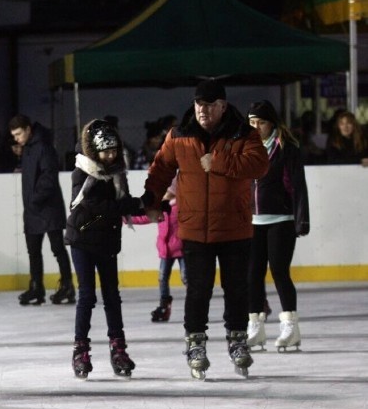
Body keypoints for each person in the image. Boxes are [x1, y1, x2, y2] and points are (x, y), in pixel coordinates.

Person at [142, 79, 269, 379]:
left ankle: (237, 340)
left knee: (236, 289)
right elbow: (160, 168)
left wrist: (219, 161)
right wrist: (151, 199)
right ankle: (195, 342)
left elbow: (259, 165)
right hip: (195, 229)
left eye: (210, 105)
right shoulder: (180, 135)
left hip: (234, 228)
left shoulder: (243, 133)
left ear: (223, 106)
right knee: (198, 290)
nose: (203, 110)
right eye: (199, 103)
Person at [64, 120, 147, 379]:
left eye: (114, 150)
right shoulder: (83, 172)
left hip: (107, 241)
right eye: (105, 151)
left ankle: (118, 349)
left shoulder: (117, 173)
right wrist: (136, 206)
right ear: (94, 151)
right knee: (87, 296)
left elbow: (122, 203)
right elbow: (96, 207)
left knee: (112, 296)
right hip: (82, 240)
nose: (110, 155)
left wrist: (149, 205)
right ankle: (80, 351)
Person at [246, 100, 310, 352]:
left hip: (281, 220)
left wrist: (301, 218)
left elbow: (298, 186)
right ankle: (255, 326)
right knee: (252, 274)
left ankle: (290, 326)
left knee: (279, 271)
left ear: (271, 123)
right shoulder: (245, 148)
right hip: (252, 222)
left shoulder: (286, 148)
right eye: (252, 122)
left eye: (260, 122)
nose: (256, 127)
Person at [8, 114, 75, 305]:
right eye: (14, 135)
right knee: (33, 251)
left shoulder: (44, 147)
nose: (17, 138)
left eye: (19, 134)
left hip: (48, 207)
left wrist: (35, 199)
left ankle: (67, 286)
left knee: (57, 248)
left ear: (28, 129)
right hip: (33, 209)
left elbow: (48, 176)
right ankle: (36, 286)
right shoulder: (28, 148)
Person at [131, 175, 186, 322]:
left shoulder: (181, 206)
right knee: (162, 278)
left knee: (186, 277)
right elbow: (146, 217)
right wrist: (128, 218)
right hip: (165, 250)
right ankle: (164, 304)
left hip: (181, 249)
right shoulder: (160, 206)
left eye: (167, 191)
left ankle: (195, 302)